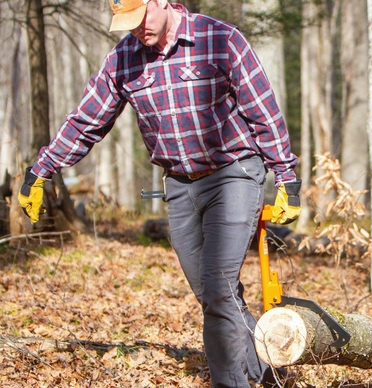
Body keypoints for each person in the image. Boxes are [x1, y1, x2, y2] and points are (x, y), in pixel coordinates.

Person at [17, 0, 301, 386]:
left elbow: (262, 110)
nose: (137, 30)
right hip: (179, 184)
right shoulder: (124, 59)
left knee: (218, 286)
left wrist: (286, 177)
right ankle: (268, 375)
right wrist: (41, 170)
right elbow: (87, 120)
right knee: (213, 294)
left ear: (162, 2)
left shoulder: (219, 39)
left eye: (141, 18)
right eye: (127, 24)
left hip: (233, 174)